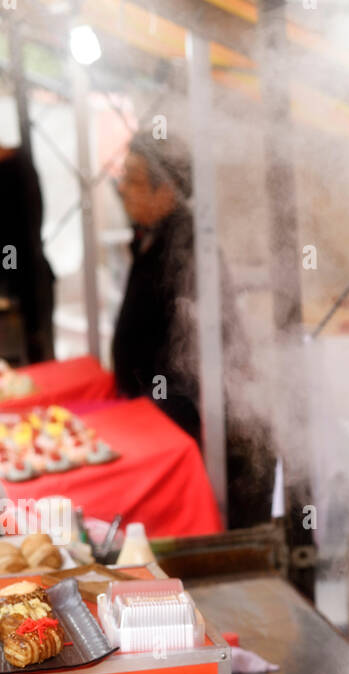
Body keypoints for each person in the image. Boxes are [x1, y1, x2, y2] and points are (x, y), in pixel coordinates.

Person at [112, 132, 273, 527]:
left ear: (166, 189)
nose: (122, 190)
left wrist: (168, 420)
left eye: (133, 180)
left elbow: (206, 360)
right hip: (156, 416)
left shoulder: (188, 247)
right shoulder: (152, 234)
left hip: (191, 428)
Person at [0, 143, 55, 363]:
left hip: (26, 289)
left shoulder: (16, 167)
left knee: (32, 364)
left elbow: (25, 234)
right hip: (21, 285)